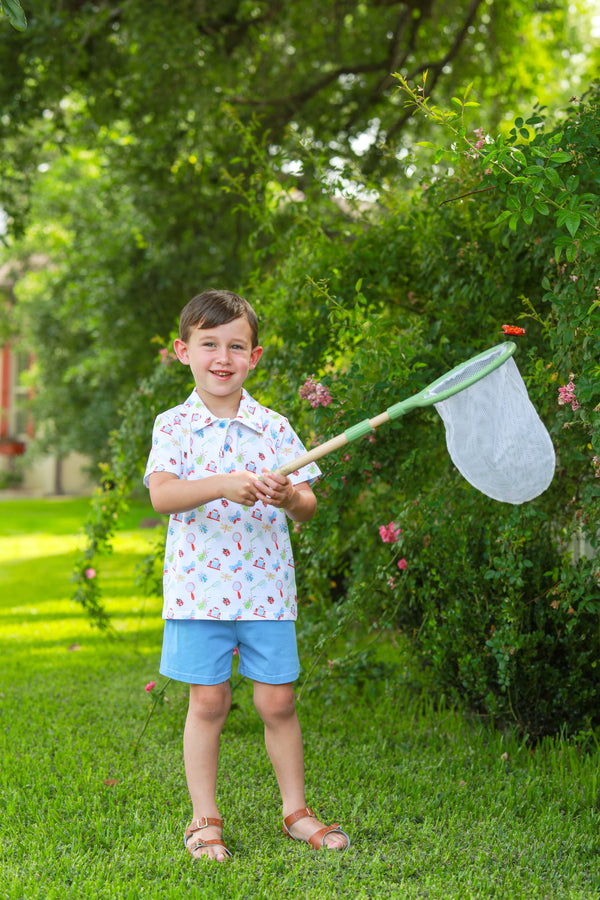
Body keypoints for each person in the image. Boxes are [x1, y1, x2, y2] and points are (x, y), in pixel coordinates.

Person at [144, 289, 350, 861]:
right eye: (209, 344)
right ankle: (204, 818)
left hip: (266, 592)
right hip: (198, 594)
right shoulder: (174, 425)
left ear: (254, 358)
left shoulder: (274, 427)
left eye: (236, 346)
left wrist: (288, 494)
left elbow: (308, 505)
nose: (222, 357)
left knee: (278, 703)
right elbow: (163, 495)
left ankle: (296, 812)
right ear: (184, 351)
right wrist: (223, 483)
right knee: (208, 704)